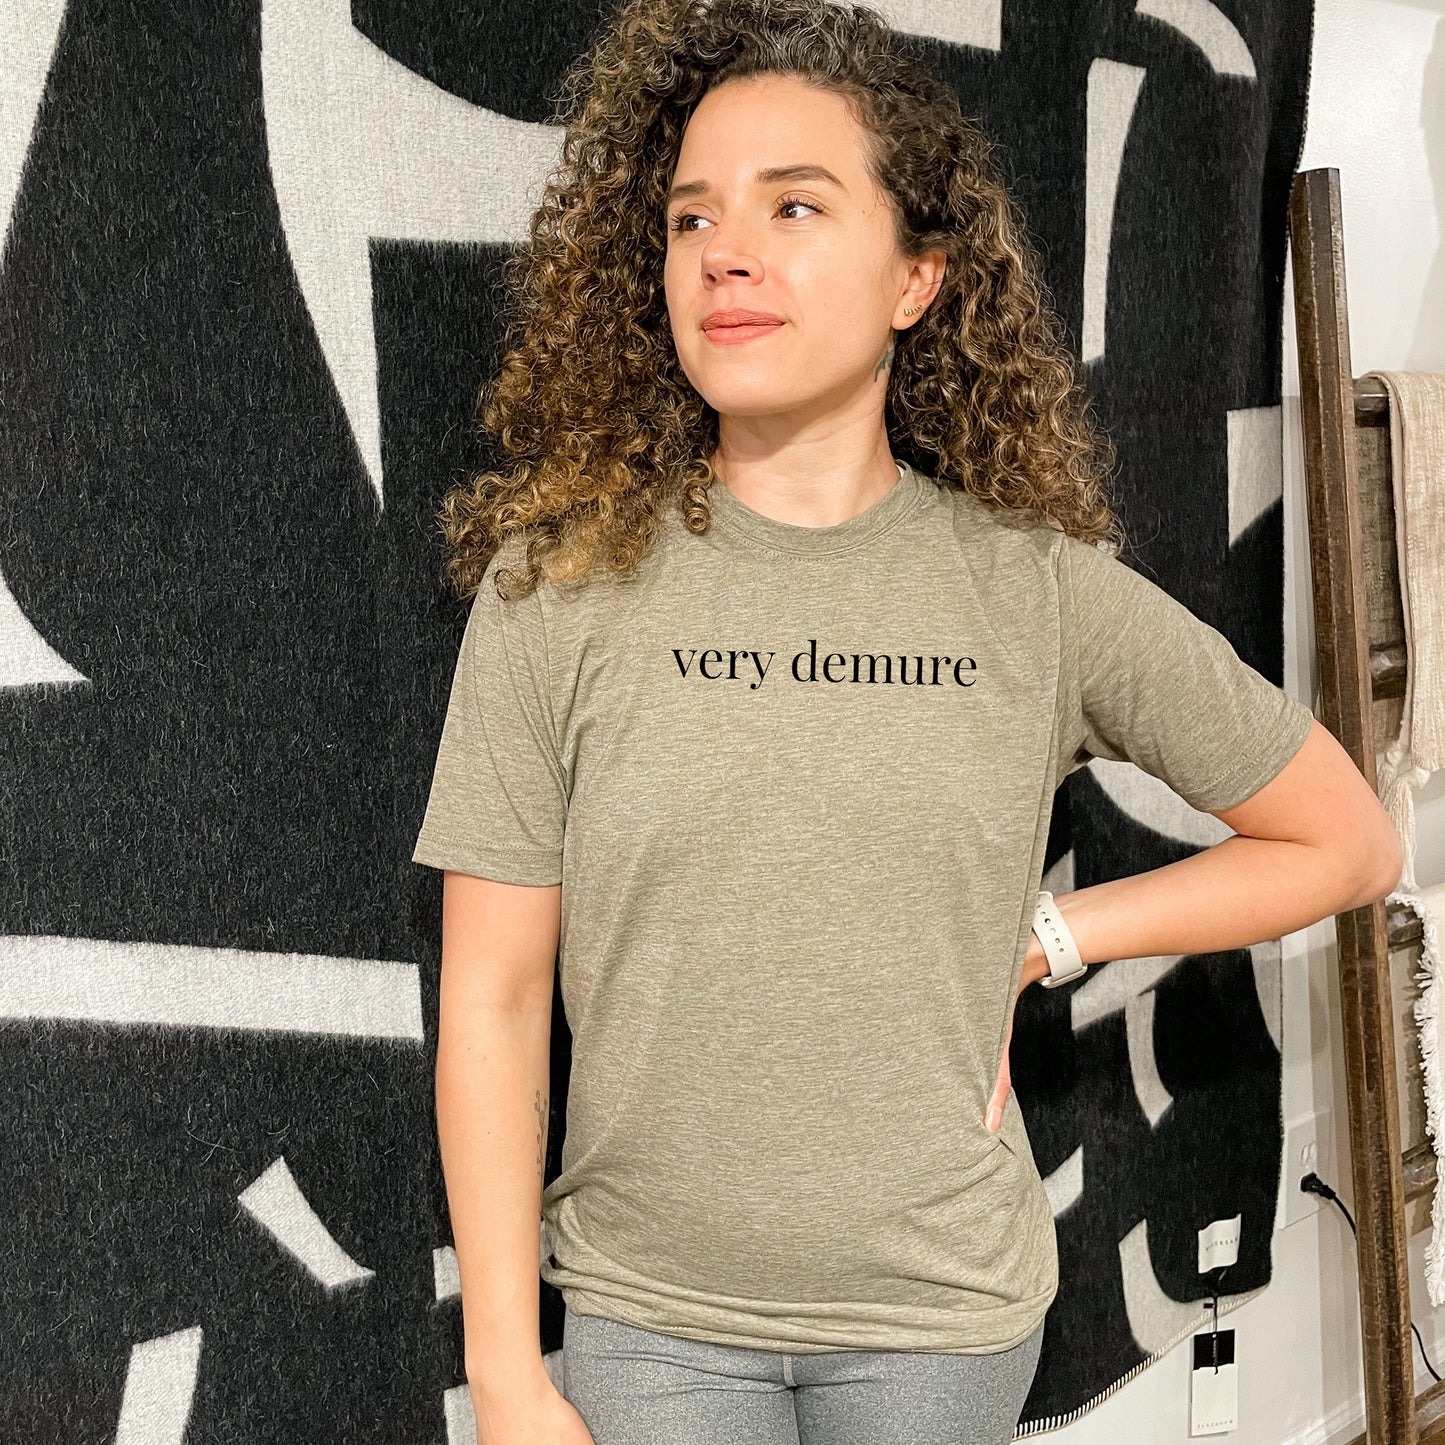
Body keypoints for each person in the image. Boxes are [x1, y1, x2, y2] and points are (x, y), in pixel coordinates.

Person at [410, 0, 1403, 1441]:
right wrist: (506, 1367)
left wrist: (1058, 938)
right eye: (689, 221)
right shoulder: (558, 584)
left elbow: (1347, 839)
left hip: (940, 1323)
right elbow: (491, 999)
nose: (724, 255)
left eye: (792, 205)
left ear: (916, 277)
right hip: (651, 1326)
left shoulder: (1033, 592)